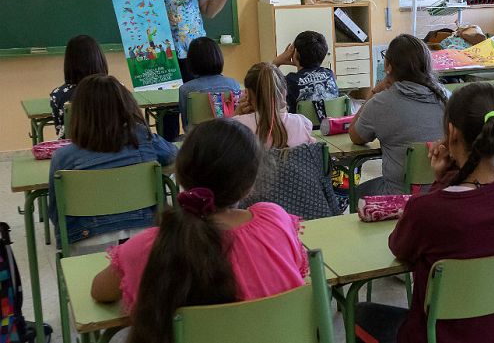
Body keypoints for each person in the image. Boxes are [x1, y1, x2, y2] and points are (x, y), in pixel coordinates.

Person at [91, 119, 309, 343]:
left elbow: (100, 291)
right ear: (249, 184)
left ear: (182, 174)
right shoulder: (275, 221)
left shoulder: (152, 245)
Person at [356, 82, 494, 343]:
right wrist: (447, 179)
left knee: (360, 312)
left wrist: (440, 182)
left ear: (451, 132)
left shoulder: (428, 211)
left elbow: (399, 247)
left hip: (438, 337)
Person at [48, 75, 176, 248]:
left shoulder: (63, 157)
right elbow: (172, 154)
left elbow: (56, 212)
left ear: (79, 114)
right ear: (127, 106)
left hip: (88, 243)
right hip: (145, 239)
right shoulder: (144, 138)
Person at [349, 34, 449, 195]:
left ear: (388, 66)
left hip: (398, 196)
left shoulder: (380, 103)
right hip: (442, 192)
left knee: (356, 193)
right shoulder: (448, 97)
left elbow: (355, 136)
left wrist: (374, 92)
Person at [232, 62, 315, 148]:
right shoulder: (302, 123)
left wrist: (235, 115)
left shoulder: (237, 127)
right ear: (284, 92)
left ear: (247, 94)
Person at [49, 35, 109, 139]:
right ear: (99, 59)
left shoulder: (58, 95)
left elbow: (61, 131)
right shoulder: (117, 88)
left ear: (69, 63)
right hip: (114, 149)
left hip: (76, 151)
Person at [178, 37, 240, 129]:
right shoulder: (233, 85)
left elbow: (186, 125)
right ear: (218, 57)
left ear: (191, 61)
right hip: (229, 137)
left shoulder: (185, 90)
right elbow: (238, 118)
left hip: (198, 139)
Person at [273, 31, 339, 114]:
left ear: (295, 53)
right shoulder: (330, 74)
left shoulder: (290, 80)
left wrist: (276, 62)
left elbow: (265, 83)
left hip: (301, 126)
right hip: (330, 125)